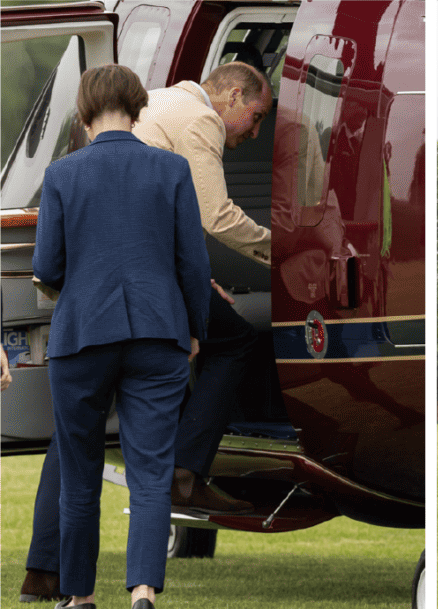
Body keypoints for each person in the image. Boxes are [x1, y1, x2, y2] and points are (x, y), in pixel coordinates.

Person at [20, 61, 271, 604]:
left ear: (85, 113)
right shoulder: (171, 170)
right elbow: (190, 262)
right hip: (158, 335)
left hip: (82, 336)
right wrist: (195, 331)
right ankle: (142, 595)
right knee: (153, 474)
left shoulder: (63, 175)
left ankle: (79, 598)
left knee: (81, 474)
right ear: (138, 108)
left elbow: (48, 265)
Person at [132, 61, 272, 513]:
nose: (254, 133)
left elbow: (169, 206)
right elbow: (216, 214)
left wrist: (197, 273)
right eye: (256, 116)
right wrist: (283, 249)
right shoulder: (201, 118)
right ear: (231, 96)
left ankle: (177, 465)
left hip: (136, 262)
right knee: (235, 340)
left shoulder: (158, 101)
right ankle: (187, 470)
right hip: (153, 268)